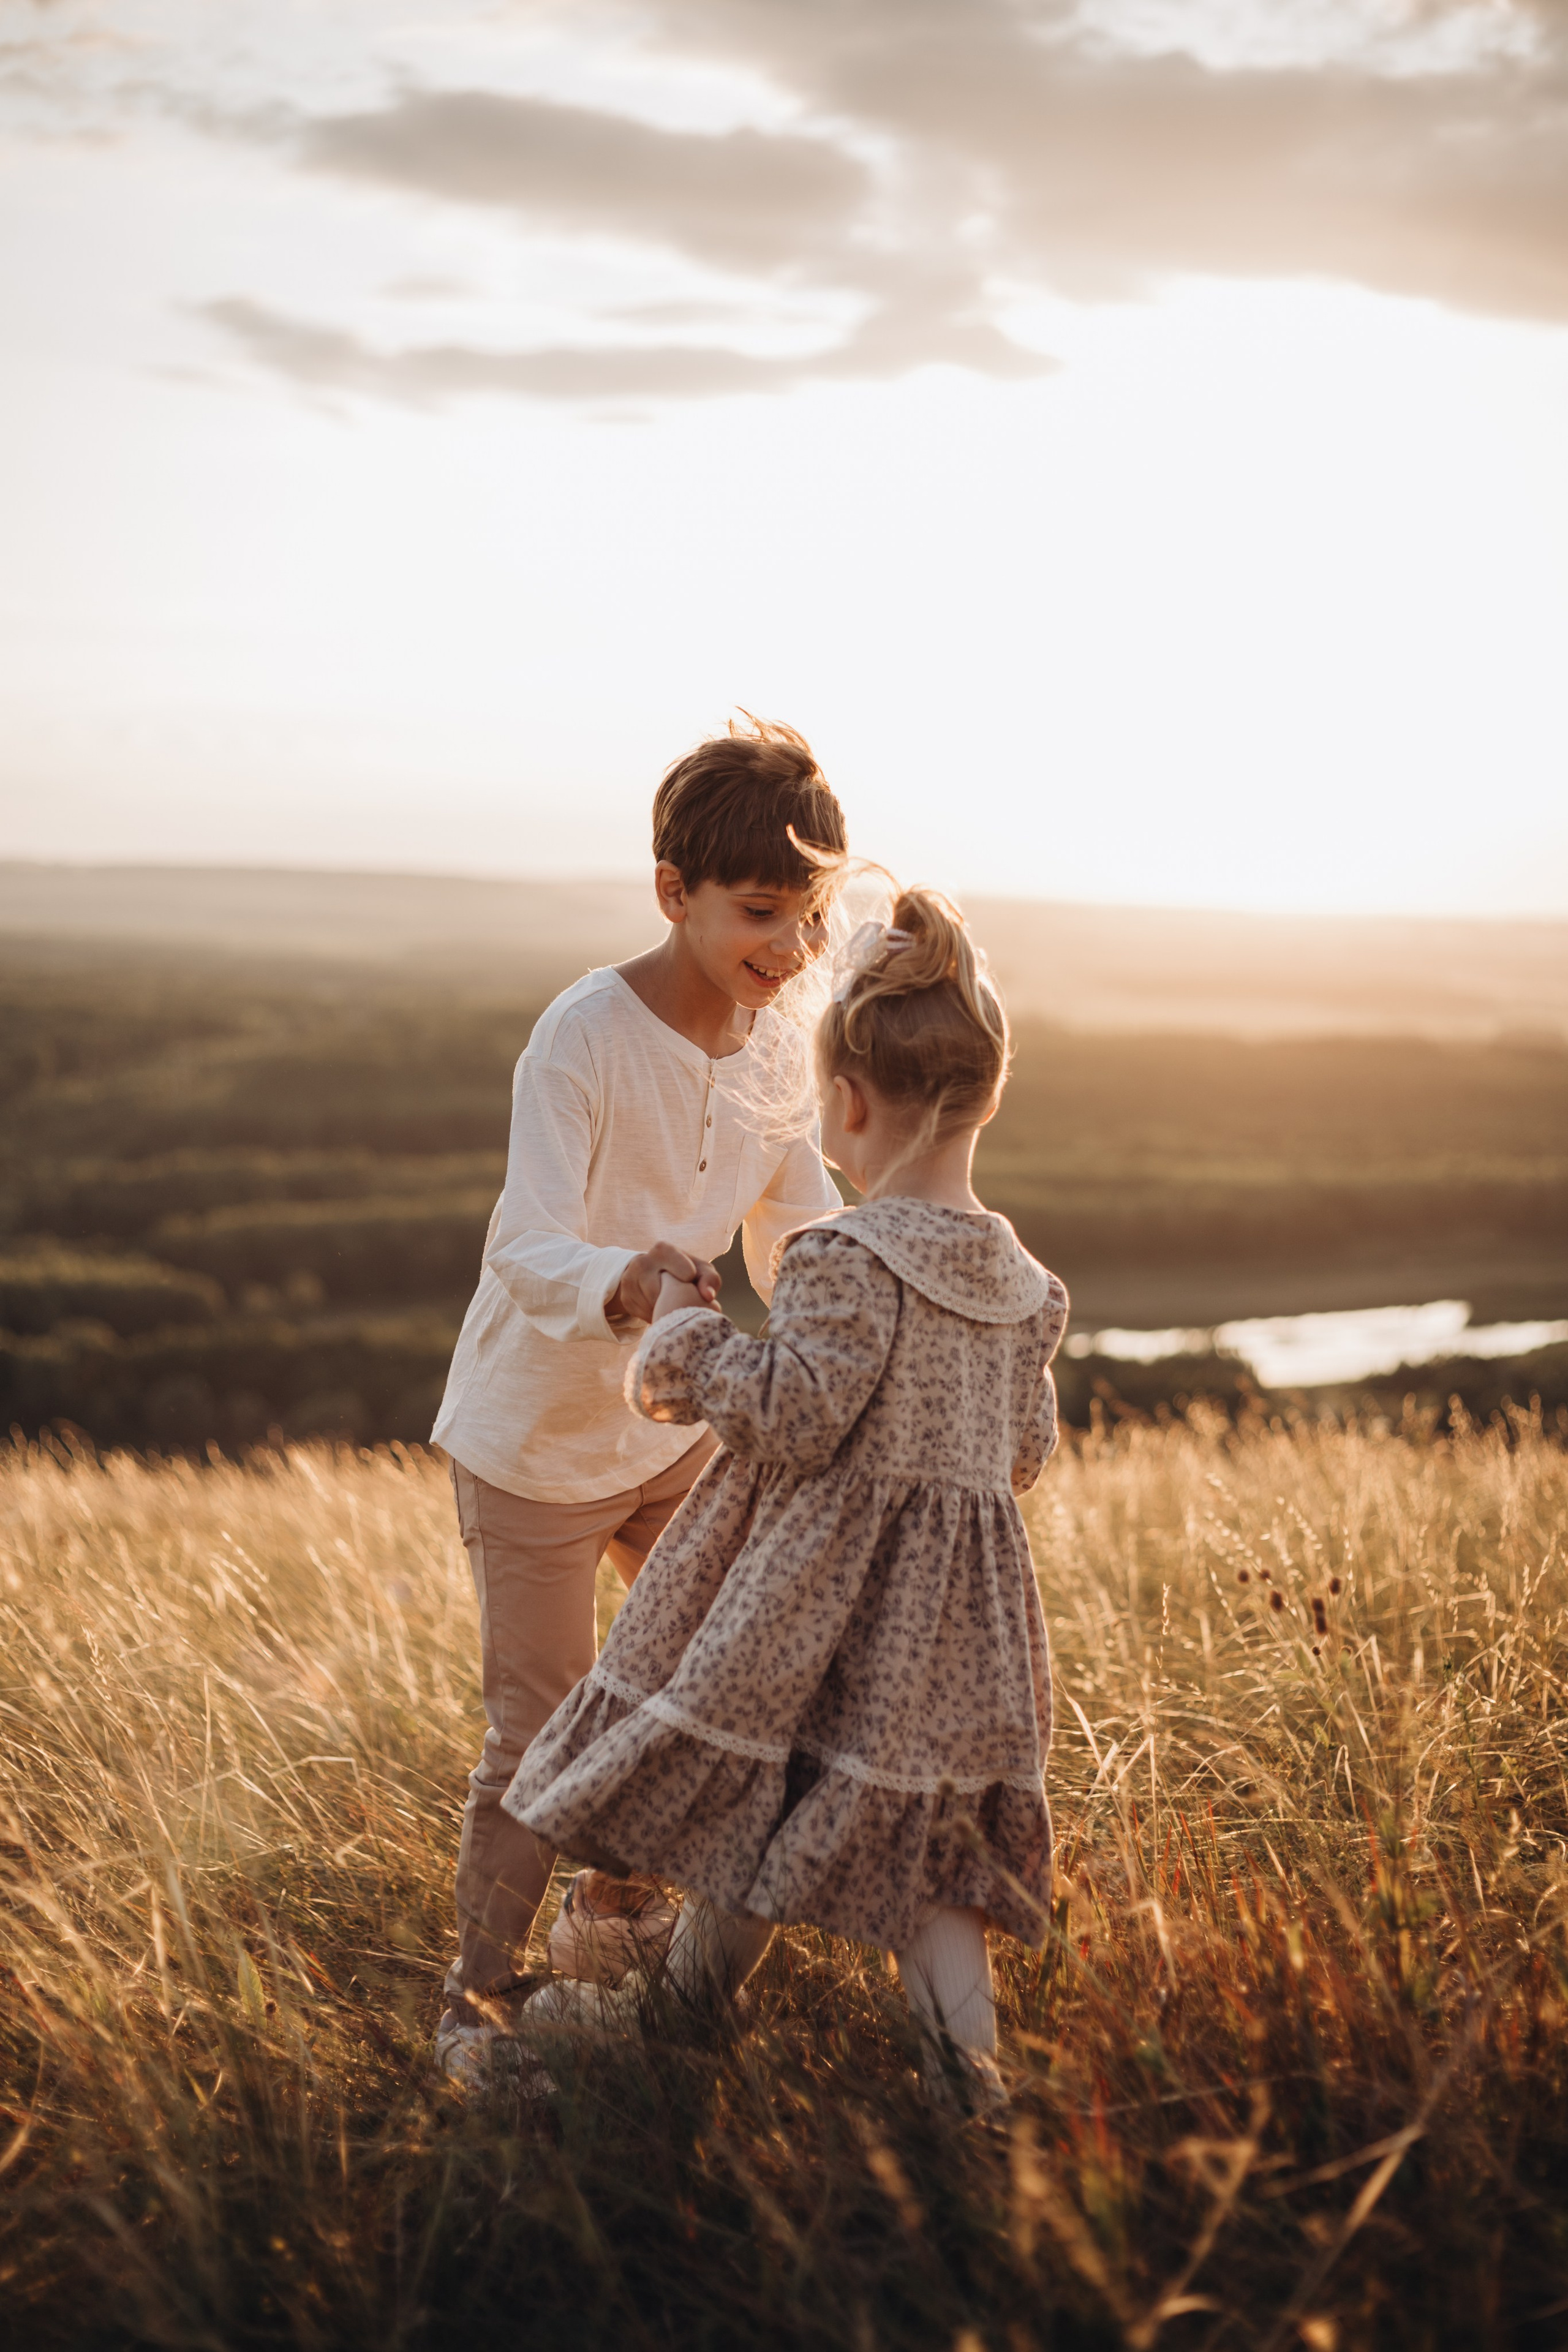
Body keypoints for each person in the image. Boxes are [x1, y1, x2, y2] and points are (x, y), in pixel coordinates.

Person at [506, 886, 1069, 2108]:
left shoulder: (843, 1260)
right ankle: (959, 2085)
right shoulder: (1028, 1287)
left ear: (850, 1106)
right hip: (957, 1639)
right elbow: (1021, 1455)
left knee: (757, 1802)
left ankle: (688, 2015)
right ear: (982, 1095)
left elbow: (792, 1412)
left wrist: (678, 1338)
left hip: (815, 1616)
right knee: (934, 1867)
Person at [431, 717, 847, 2084]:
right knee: (540, 1730)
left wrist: (878, 1297)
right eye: (759, 914)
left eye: (810, 916)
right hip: (538, 1446)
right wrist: (631, 1279)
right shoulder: (584, 1035)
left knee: (693, 1687)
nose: (789, 950)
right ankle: (474, 2013)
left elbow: (795, 1222)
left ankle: (612, 1928)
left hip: (676, 1435)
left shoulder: (781, 1043)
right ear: (673, 892)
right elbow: (522, 1242)